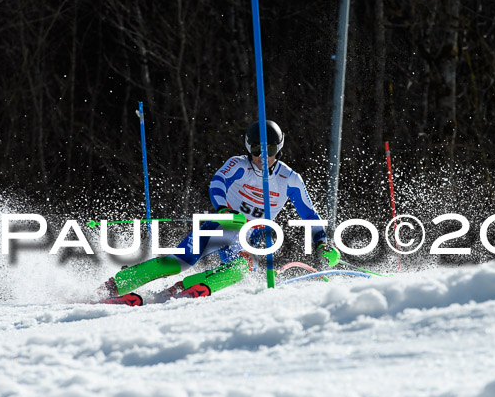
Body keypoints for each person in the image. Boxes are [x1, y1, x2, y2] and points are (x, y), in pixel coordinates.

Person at [98, 120, 341, 306]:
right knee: (177, 262)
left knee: (243, 266)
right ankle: (114, 285)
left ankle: (189, 290)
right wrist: (224, 208)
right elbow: (217, 184)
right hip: (222, 227)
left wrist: (323, 242)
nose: (263, 156)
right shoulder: (240, 165)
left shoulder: (289, 179)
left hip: (250, 238)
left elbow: (310, 216)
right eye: (256, 149)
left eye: (270, 149)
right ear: (248, 146)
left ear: (280, 147)